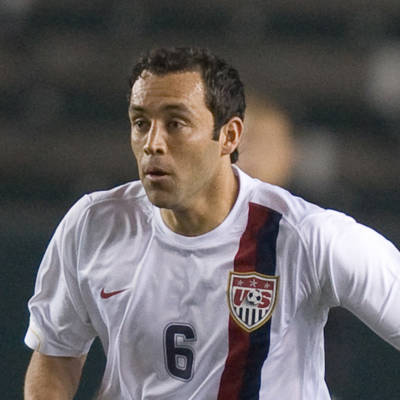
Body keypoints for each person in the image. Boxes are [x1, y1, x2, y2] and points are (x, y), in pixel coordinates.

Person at [24, 47, 400, 400]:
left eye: (176, 123)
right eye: (141, 123)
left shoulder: (307, 237)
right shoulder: (93, 224)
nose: (153, 143)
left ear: (229, 136)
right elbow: (56, 356)